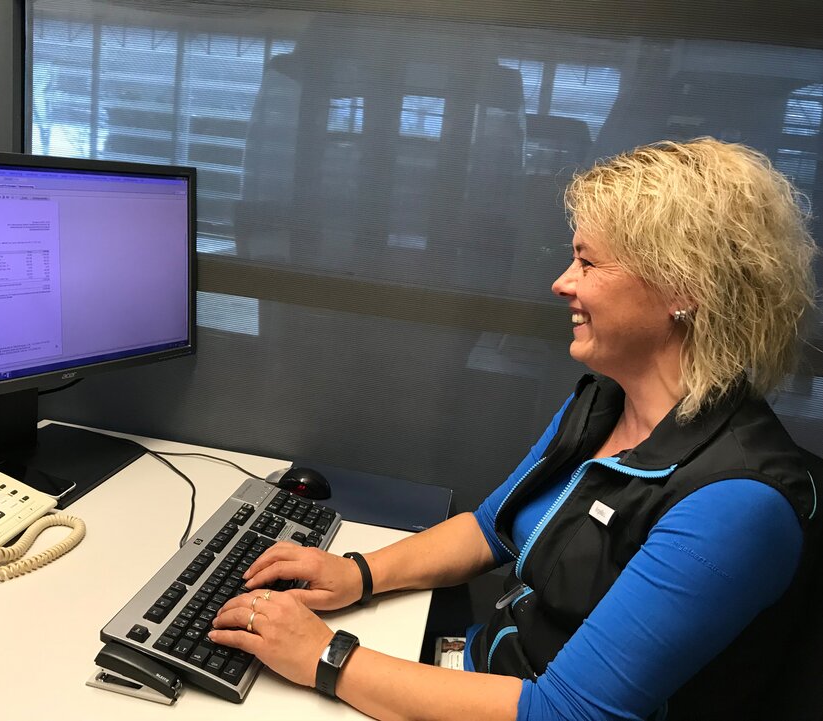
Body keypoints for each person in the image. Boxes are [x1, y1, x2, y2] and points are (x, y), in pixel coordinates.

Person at [209, 138, 819, 720]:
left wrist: (324, 656)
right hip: (487, 672)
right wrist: (358, 573)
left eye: (587, 261)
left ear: (681, 288)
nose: (562, 282)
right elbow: (491, 529)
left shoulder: (735, 504)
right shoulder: (606, 401)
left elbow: (566, 712)